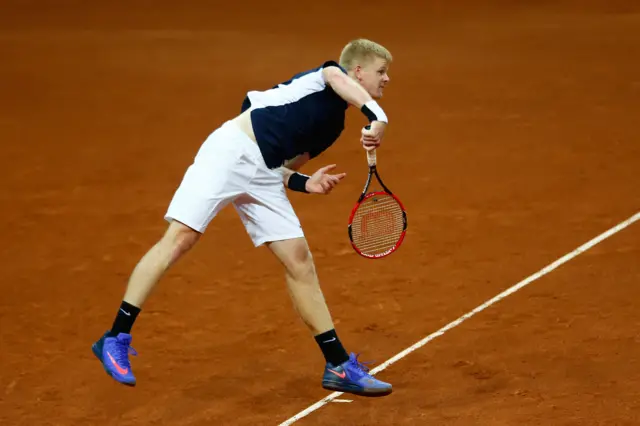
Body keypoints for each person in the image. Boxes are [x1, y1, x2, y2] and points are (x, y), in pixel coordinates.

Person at [92, 38, 394, 397]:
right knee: (180, 238)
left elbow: (283, 169)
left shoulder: (334, 127)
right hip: (231, 153)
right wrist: (378, 116)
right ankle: (115, 337)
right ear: (357, 71)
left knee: (299, 260)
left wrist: (304, 181)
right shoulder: (325, 76)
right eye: (381, 72)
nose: (386, 79)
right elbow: (339, 79)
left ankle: (338, 366)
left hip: (263, 173)